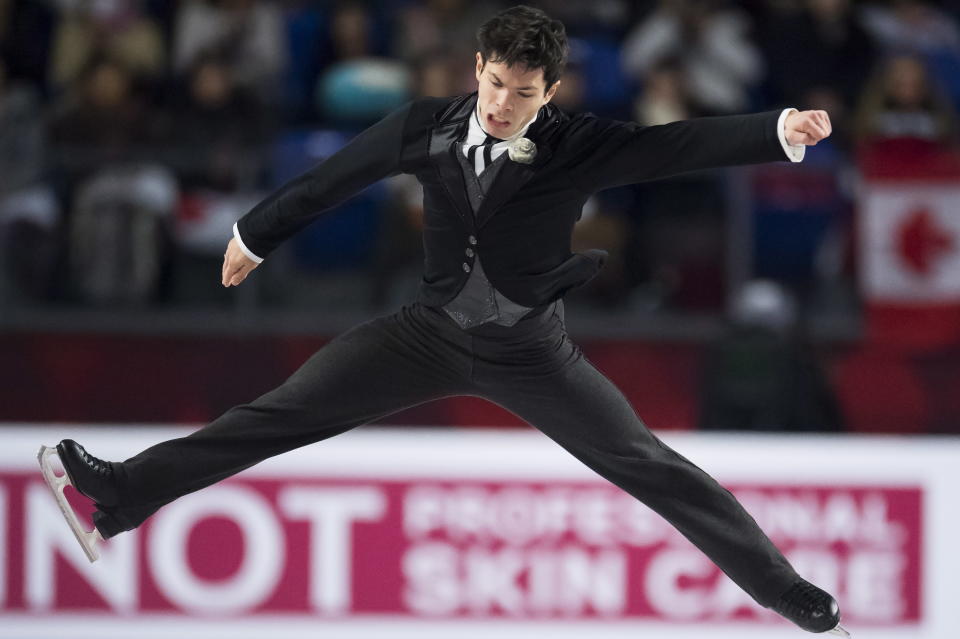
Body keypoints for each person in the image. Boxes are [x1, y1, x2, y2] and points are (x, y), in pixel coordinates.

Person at [39, 5, 845, 636]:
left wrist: (779, 130)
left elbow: (677, 145)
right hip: (424, 335)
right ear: (478, 69)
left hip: (532, 351)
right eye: (495, 83)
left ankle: (789, 594)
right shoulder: (427, 122)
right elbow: (335, 176)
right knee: (274, 415)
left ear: (551, 91)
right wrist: (256, 233)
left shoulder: (577, 144)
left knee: (650, 465)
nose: (502, 104)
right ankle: (120, 496)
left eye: (524, 93)